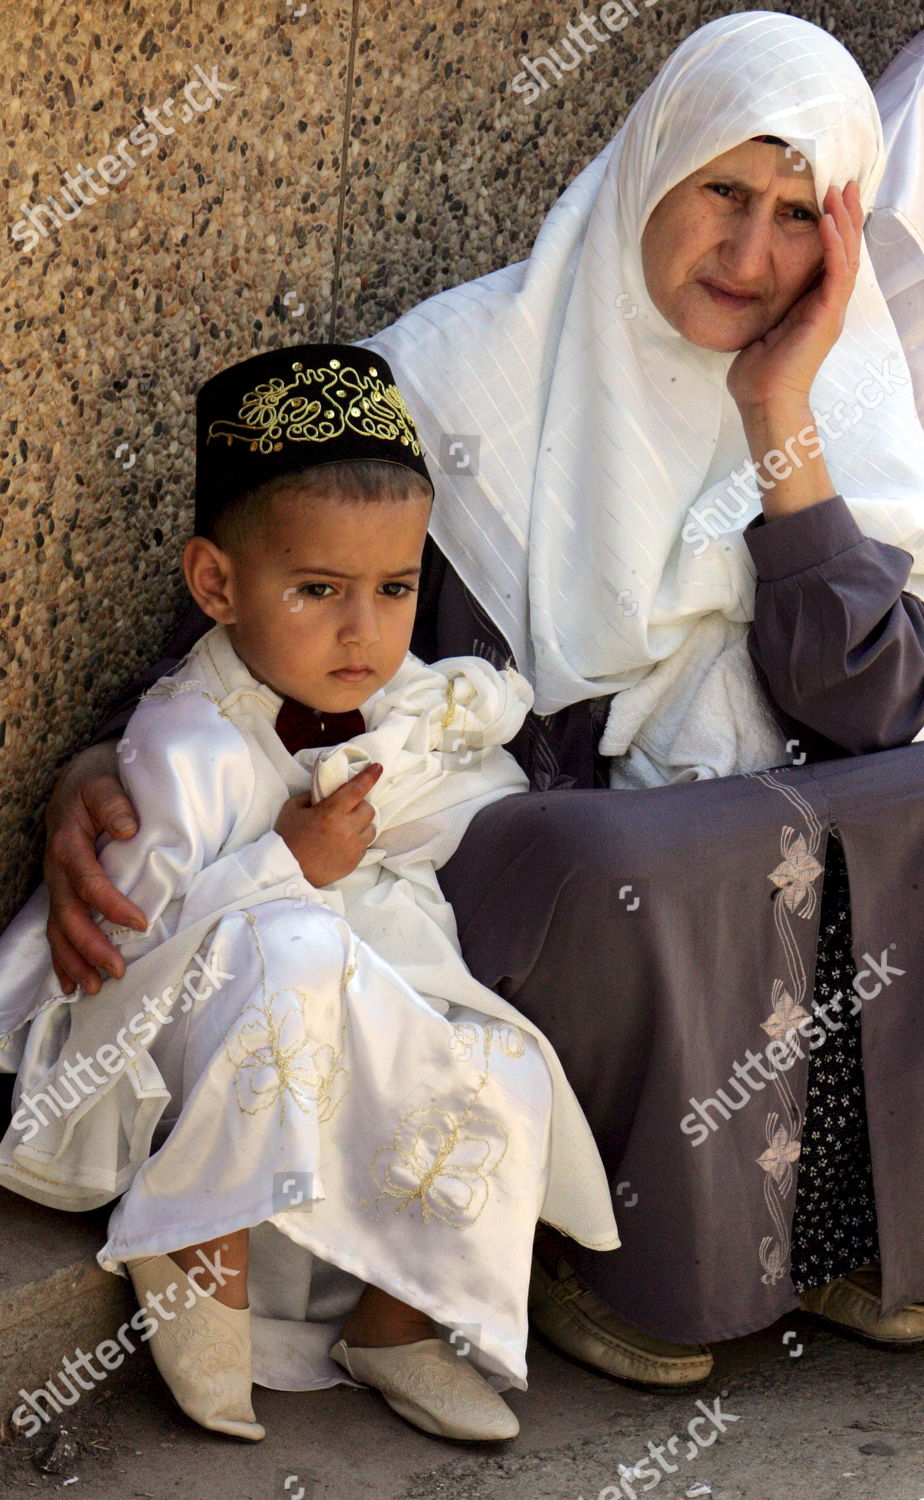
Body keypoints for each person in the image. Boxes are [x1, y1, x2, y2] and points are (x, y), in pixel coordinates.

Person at [31, 11, 924, 1393]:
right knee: (614, 853)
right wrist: (103, 762)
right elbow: (259, 631)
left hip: (731, 859)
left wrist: (778, 423)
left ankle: (839, 1246)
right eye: (723, 195)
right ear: (652, 167)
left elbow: (873, 712)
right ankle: (608, 1265)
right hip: (517, 870)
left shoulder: (839, 406)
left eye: (800, 216)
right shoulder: (451, 380)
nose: (752, 259)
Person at [0, 343, 618, 1444]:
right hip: (191, 1024)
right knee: (289, 952)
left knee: (503, 1057)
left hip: (371, 965)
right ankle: (197, 1246)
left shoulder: (404, 698)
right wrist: (290, 865)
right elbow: (128, 949)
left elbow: (468, 796)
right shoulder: (184, 745)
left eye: (393, 590)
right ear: (216, 585)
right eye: (318, 590)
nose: (360, 632)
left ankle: (395, 1321)